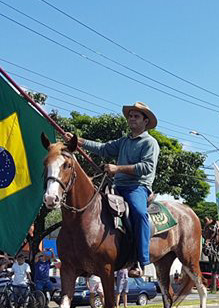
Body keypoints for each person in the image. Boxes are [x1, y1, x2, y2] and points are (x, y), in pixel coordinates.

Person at [67, 102, 160, 278]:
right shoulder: (123, 141)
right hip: (117, 186)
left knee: (139, 214)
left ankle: (141, 261)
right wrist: (78, 141)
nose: (132, 119)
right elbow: (103, 149)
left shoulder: (150, 143)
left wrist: (118, 169)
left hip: (137, 187)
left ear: (145, 121)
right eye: (130, 116)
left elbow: (147, 167)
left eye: (136, 116)